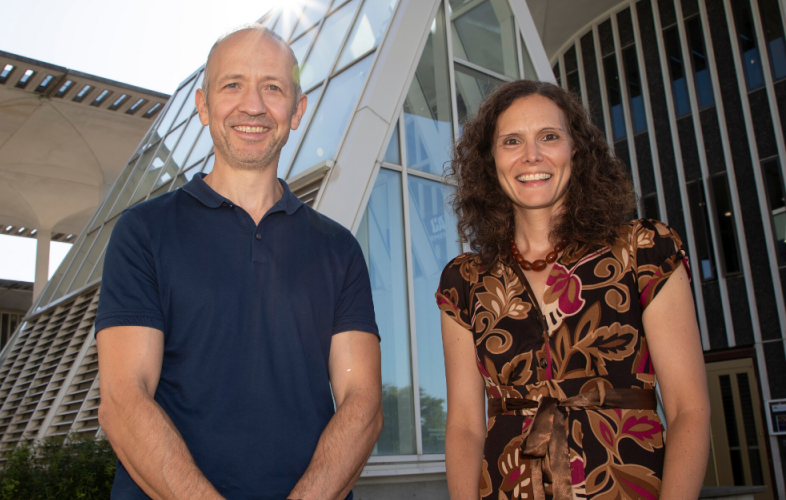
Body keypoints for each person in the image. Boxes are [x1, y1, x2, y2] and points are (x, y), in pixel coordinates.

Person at [95, 24, 383, 500]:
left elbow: (363, 402)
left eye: (273, 87)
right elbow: (124, 400)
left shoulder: (338, 249)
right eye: (233, 85)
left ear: (297, 110)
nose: (253, 105)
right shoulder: (143, 232)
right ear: (203, 106)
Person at [436, 80, 710, 500]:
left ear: (576, 150)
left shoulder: (644, 250)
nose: (532, 155)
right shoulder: (464, 281)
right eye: (512, 141)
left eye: (549, 136)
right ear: (490, 162)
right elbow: (465, 427)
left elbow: (688, 409)